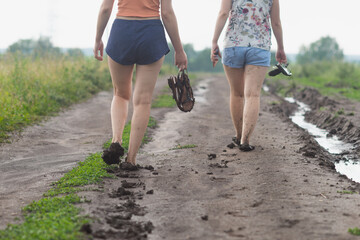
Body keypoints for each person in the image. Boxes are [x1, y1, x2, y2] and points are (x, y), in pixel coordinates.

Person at [94, 0, 188, 169]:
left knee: (120, 94)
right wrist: (179, 50)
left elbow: (105, 9)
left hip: (122, 31)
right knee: (143, 100)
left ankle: (116, 140)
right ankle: (131, 159)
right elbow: (167, 14)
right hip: (151, 33)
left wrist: (98, 39)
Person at [211, 0, 287, 151]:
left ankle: (238, 135)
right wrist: (281, 47)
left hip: (233, 45)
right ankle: (245, 140)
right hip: (260, 46)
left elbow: (223, 13)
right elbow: (276, 22)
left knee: (237, 93)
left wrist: (214, 41)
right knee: (253, 95)